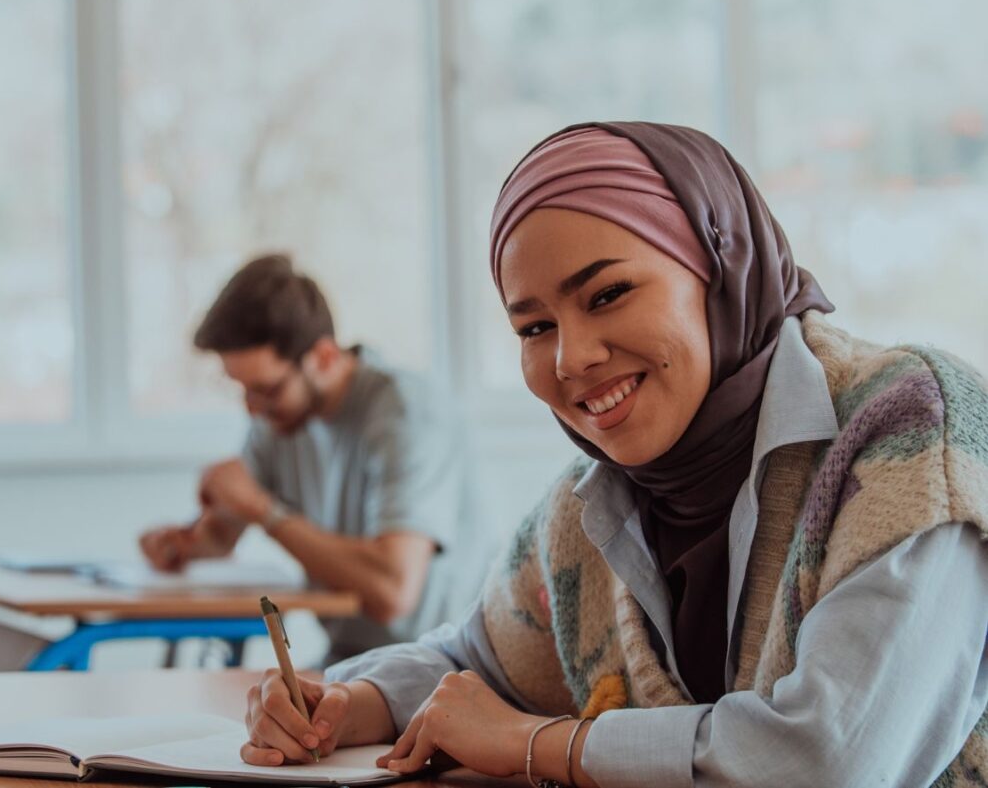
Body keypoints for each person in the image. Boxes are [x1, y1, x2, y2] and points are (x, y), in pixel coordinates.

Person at [238, 124, 988, 787]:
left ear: (720, 267)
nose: (570, 359)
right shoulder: (590, 504)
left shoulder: (910, 427)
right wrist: (351, 703)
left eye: (607, 294)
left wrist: (544, 745)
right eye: (533, 328)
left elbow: (832, 760)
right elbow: (474, 659)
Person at [139, 254, 484, 663]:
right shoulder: (280, 419)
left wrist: (263, 510)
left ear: (323, 357)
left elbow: (392, 592)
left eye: (265, 389)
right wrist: (185, 544)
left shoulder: (406, 414)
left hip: (440, 667)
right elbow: (226, 531)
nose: (251, 408)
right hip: (351, 660)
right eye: (242, 390)